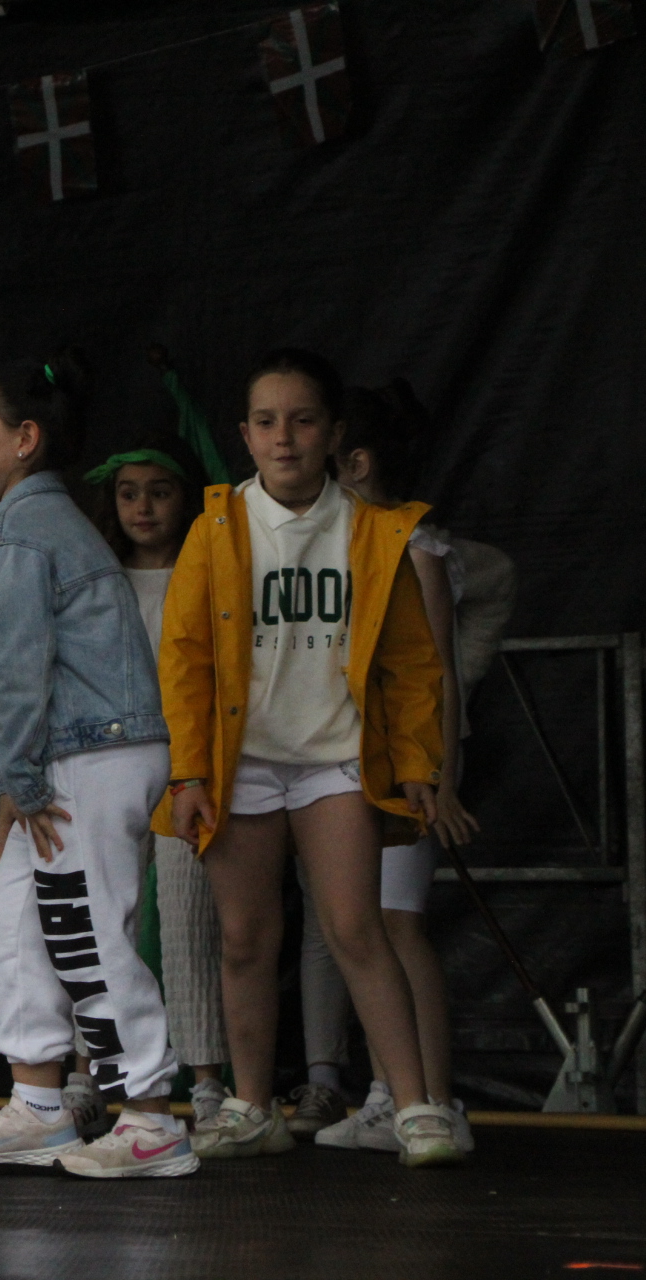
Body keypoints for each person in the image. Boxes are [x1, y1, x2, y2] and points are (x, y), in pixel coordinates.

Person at [158, 348, 461, 1168]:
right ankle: (252, 1107)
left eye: (301, 421)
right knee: (244, 938)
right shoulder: (217, 526)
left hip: (335, 757)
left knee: (357, 927)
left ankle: (417, 1108)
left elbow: (413, 662)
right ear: (244, 435)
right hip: (243, 761)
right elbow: (183, 659)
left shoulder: (372, 529)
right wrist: (189, 773)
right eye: (266, 422)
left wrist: (418, 762)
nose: (283, 438)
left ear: (334, 434)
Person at [0, 354, 196, 1180]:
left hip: (88, 752)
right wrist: (24, 775)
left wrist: (17, 781)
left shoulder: (23, 532)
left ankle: (150, 1117)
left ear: (25, 438)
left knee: (85, 926)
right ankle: (40, 1107)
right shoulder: (38, 523)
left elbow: (18, 667)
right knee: (9, 919)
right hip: (75, 750)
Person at [308, 381, 513, 1156]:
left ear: (356, 461)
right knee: (360, 923)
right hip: (353, 758)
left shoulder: (414, 547)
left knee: (398, 923)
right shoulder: (343, 543)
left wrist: (441, 776)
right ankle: (392, 1093)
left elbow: (438, 676)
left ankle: (434, 1100)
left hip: (406, 764)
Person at [86, 428, 231, 1129]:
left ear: (186, 499)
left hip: (186, 769)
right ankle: (96, 1071)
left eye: (160, 492)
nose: (143, 508)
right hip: (114, 767)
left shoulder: (206, 574)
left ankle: (205, 1078)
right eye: (128, 494)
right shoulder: (100, 580)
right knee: (104, 923)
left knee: (189, 924)